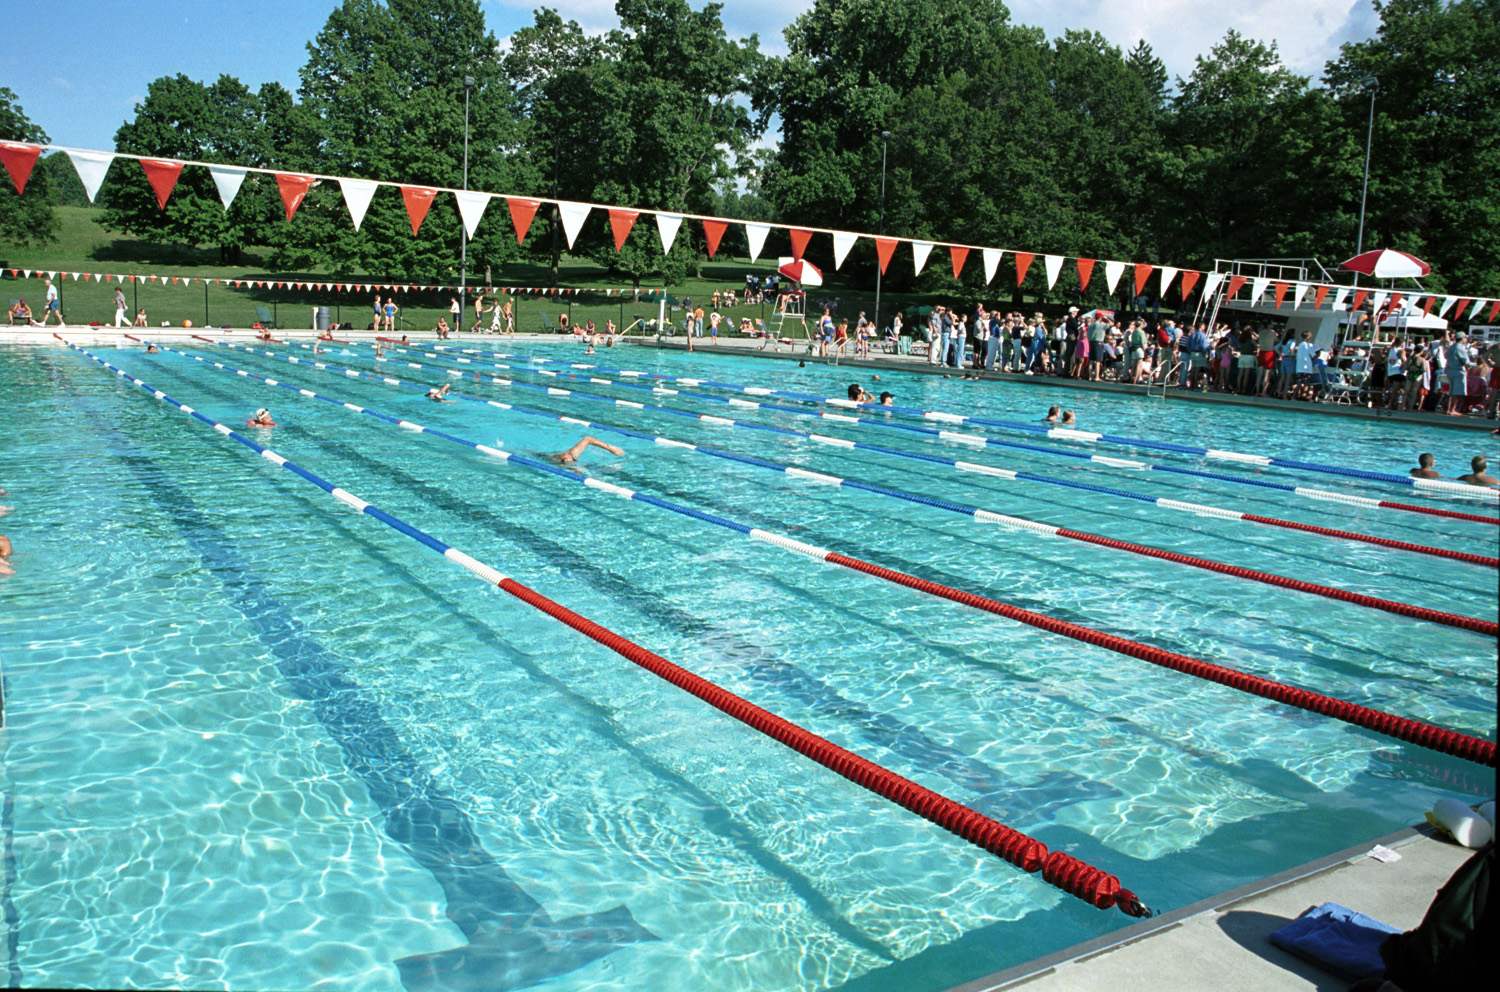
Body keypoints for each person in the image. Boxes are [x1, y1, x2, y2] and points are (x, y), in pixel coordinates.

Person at [553, 436, 624, 466]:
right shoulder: (567, 462)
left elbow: (588, 439)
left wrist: (610, 448)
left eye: (567, 459)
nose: (568, 459)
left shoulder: (571, 453)